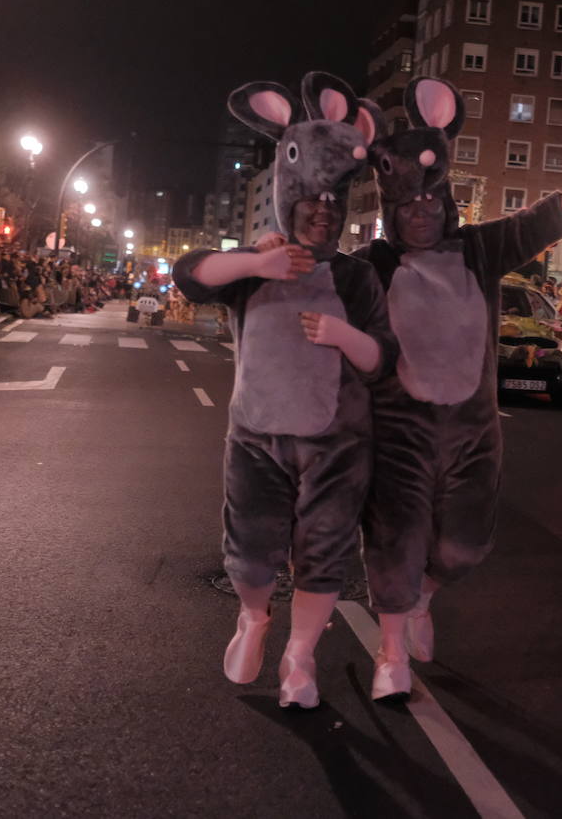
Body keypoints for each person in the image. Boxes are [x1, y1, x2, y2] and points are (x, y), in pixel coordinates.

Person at [351, 76, 562, 697]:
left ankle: (423, 599)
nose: (420, 214)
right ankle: (391, 657)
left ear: (446, 199)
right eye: (407, 206)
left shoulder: (478, 252)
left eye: (429, 202)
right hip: (398, 434)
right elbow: (320, 279)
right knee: (394, 542)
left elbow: (538, 222)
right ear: (390, 208)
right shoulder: (373, 269)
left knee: (462, 548)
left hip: (470, 435)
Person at [175, 72, 389, 710]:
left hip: (336, 445)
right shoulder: (256, 260)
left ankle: (300, 657)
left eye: (332, 204)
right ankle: (254, 619)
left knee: (324, 552)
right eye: (309, 203)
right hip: (258, 437)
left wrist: (343, 337)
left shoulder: (355, 276)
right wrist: (256, 263)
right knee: (251, 547)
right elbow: (192, 275)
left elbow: (382, 358)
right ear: (287, 198)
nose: (322, 213)